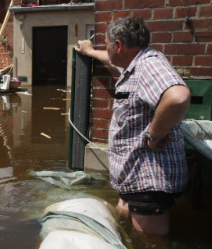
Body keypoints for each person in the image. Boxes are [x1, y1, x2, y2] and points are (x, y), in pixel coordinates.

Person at [74, 17, 191, 237]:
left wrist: (153, 136)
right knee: (127, 233)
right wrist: (90, 52)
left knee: (150, 243)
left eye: (108, 44)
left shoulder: (149, 64)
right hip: (133, 179)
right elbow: (112, 60)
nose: (106, 49)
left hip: (149, 182)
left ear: (118, 45)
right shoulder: (134, 64)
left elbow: (178, 97)